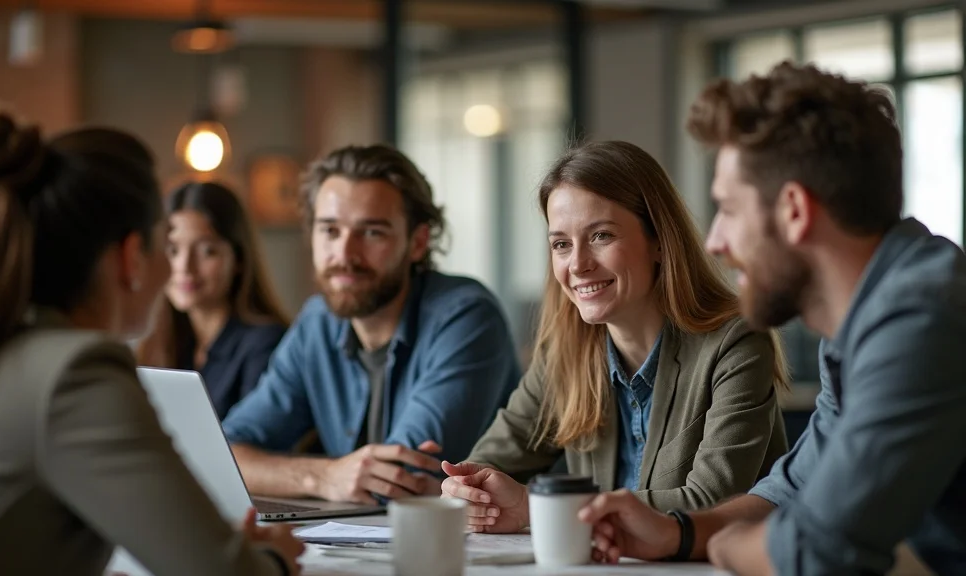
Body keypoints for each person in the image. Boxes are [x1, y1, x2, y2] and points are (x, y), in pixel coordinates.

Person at [579, 61, 966, 576]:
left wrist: (725, 546)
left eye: (730, 210)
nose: (714, 241)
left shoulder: (922, 318)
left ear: (794, 211)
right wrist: (677, 531)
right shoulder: (863, 320)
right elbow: (795, 488)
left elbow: (818, 553)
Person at [0, 106, 303, 576]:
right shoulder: (76, 372)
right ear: (132, 256)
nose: (178, 269)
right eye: (166, 244)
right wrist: (272, 557)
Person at [439, 140, 790, 533]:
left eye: (601, 236)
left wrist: (536, 509)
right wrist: (468, 493)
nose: (579, 264)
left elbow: (712, 501)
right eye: (561, 244)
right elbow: (489, 462)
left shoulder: (735, 342)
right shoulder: (565, 352)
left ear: (659, 241)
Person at [221, 144, 521, 504]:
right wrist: (322, 477)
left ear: (418, 242)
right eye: (330, 231)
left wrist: (302, 474)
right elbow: (223, 452)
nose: (345, 255)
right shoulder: (317, 323)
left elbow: (400, 481)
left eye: (372, 232)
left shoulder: (466, 317)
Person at [136, 181, 289, 421]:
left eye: (207, 251)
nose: (184, 267)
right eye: (173, 250)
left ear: (238, 259)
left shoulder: (266, 345)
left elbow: (252, 443)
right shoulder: (163, 340)